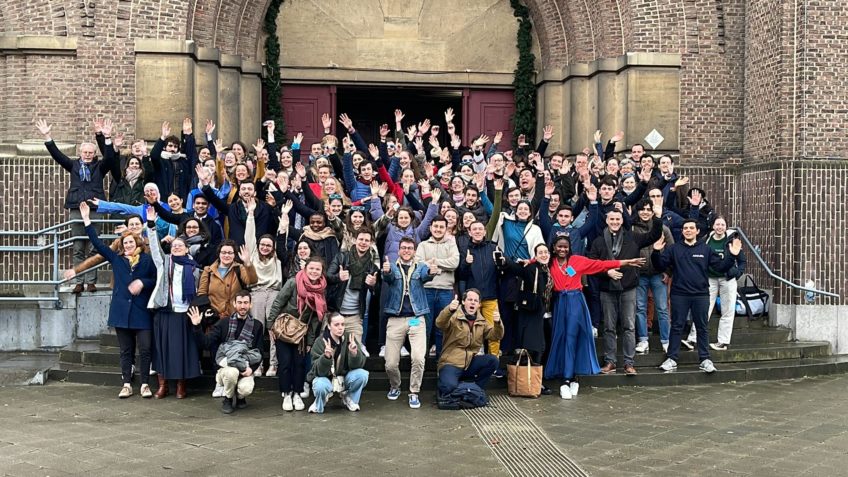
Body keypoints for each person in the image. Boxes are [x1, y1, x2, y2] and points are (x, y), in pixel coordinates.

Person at [546, 236, 645, 399]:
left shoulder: (577, 260)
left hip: (575, 301)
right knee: (560, 338)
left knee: (572, 338)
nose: (562, 249)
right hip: (559, 303)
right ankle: (570, 376)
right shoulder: (550, 262)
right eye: (559, 247)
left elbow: (601, 264)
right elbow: (534, 260)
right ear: (554, 248)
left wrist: (626, 262)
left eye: (565, 247)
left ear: (570, 248)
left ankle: (567, 380)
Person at [79, 201, 156, 398]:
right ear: (121, 246)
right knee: (125, 350)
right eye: (125, 243)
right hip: (122, 312)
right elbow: (97, 244)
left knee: (146, 348)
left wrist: (142, 283)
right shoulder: (117, 259)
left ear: (137, 243)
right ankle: (127, 384)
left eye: (131, 242)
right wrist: (87, 220)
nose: (128, 245)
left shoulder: (147, 260)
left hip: (142, 311)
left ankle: (145, 383)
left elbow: (155, 279)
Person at [652, 219, 743, 373]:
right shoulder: (674, 249)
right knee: (677, 326)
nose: (688, 230)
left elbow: (720, 267)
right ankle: (672, 358)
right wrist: (655, 252)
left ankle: (705, 359)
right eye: (685, 228)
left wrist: (732, 256)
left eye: (691, 228)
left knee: (702, 327)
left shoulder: (706, 249)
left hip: (700, 294)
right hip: (679, 294)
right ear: (682, 231)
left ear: (697, 231)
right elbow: (660, 265)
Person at [588, 206, 662, 376]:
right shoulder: (598, 242)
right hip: (607, 289)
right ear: (607, 221)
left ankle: (629, 363)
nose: (615, 222)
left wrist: (657, 217)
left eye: (618, 219)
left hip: (628, 288)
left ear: (622, 221)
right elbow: (591, 264)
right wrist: (607, 272)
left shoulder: (633, 237)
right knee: (608, 327)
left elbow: (653, 235)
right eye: (611, 219)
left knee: (629, 326)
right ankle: (610, 361)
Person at [36, 119, 108, 294]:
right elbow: (57, 155)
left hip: (95, 209)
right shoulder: (74, 166)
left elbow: (111, 157)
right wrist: (47, 136)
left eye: (91, 152)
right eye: (85, 152)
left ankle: (91, 281)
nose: (88, 155)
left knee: (93, 246)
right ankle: (79, 281)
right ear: (80, 153)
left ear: (94, 153)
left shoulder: (100, 167)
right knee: (77, 246)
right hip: (76, 207)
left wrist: (103, 136)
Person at [144, 208, 201, 399]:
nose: (176, 248)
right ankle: (162, 385)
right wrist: (151, 225)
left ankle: (180, 386)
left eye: (180, 246)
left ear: (187, 249)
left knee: (181, 351)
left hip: (184, 314)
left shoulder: (194, 268)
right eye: (174, 245)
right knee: (161, 349)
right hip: (165, 312)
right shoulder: (164, 262)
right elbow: (154, 247)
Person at [188, 291, 264, 414]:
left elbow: (259, 351)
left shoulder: (257, 325)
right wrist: (197, 326)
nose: (242, 306)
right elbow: (206, 343)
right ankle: (228, 399)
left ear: (250, 305)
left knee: (246, 388)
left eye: (245, 303)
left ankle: (240, 397)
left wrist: (252, 369)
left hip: (246, 365)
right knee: (232, 373)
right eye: (239, 302)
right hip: (227, 365)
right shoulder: (224, 323)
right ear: (234, 304)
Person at [268, 256, 328, 412]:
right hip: (284, 328)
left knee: (300, 364)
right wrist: (270, 326)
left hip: (302, 332)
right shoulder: (293, 282)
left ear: (321, 271)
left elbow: (315, 319)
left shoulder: (321, 289)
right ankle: (286, 393)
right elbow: (278, 302)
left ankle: (297, 393)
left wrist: (310, 341)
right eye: (311, 268)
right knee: (285, 363)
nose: (314, 271)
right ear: (305, 269)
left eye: (317, 269)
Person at [382, 237, 434, 409]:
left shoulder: (421, 267)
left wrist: (432, 271)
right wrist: (387, 271)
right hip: (396, 319)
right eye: (403, 248)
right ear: (399, 250)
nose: (406, 251)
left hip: (415, 318)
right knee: (390, 363)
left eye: (409, 248)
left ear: (414, 251)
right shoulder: (392, 267)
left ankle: (414, 391)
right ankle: (395, 386)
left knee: (418, 357)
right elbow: (387, 278)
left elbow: (426, 276)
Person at [682, 216, 747, 351]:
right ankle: (692, 340)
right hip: (709, 279)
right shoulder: (706, 240)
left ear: (726, 227)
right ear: (713, 226)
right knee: (703, 310)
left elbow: (742, 261)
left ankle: (722, 342)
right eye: (717, 224)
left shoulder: (732, 240)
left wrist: (737, 273)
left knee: (727, 310)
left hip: (727, 279)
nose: (720, 227)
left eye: (723, 225)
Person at [435, 289, 504, 397]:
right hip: (451, 362)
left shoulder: (481, 321)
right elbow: (440, 323)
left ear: (479, 305)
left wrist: (498, 323)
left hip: (470, 362)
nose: (472, 302)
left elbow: (495, 336)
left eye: (475, 301)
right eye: (470, 300)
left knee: (493, 360)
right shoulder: (454, 316)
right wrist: (449, 309)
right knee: (448, 387)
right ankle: (464, 388)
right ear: (463, 302)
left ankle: (475, 389)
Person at [326, 229, 380, 355]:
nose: (363, 243)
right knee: (330, 352)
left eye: (367, 240)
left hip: (355, 317)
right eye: (361, 239)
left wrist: (372, 285)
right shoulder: (341, 257)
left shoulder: (373, 267)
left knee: (354, 353)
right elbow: (328, 277)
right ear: (355, 241)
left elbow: (377, 291)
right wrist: (338, 277)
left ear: (371, 243)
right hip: (336, 313)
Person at [414, 216, 460, 357]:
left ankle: (442, 360)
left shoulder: (451, 244)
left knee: (443, 326)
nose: (438, 229)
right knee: (424, 326)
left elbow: (454, 263)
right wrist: (437, 266)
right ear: (430, 228)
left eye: (441, 227)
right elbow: (418, 264)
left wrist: (435, 263)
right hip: (426, 289)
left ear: (446, 229)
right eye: (436, 226)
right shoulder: (423, 245)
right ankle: (422, 359)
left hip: (445, 291)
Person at [306, 314, 369, 414]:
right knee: (320, 385)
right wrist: (326, 357)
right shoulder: (320, 341)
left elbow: (359, 365)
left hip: (344, 377)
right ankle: (320, 402)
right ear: (329, 326)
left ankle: (350, 398)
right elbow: (317, 371)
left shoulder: (349, 338)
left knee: (362, 374)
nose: (340, 328)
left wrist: (354, 353)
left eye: (343, 324)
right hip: (326, 377)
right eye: (336, 325)